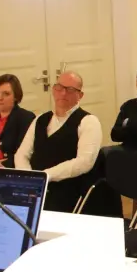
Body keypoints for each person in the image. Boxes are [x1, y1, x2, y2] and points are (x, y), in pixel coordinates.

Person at [15, 69, 103, 212]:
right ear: (53, 90)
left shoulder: (89, 122)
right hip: (36, 187)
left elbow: (84, 162)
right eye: (59, 88)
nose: (63, 93)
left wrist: (46, 176)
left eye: (70, 90)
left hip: (68, 189)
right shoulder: (40, 119)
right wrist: (30, 179)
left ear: (80, 95)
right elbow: (22, 154)